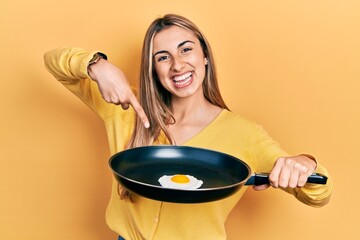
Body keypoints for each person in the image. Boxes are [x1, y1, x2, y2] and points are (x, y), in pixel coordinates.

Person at [44, 14, 332, 240]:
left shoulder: (246, 134)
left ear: (205, 56)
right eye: (163, 57)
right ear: (153, 70)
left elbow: (318, 194)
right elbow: (54, 62)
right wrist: (97, 65)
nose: (177, 65)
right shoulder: (125, 108)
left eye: (186, 50)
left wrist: (304, 163)